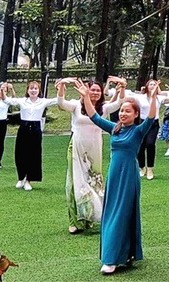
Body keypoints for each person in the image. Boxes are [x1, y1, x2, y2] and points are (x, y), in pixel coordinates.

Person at [76, 79, 158, 275]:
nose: (123, 113)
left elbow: (151, 117)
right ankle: (122, 254)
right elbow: (94, 116)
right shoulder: (114, 128)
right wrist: (86, 97)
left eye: (128, 111)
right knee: (112, 213)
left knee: (122, 213)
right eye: (122, 110)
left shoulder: (138, 131)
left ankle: (112, 259)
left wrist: (154, 98)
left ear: (136, 114)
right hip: (114, 176)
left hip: (129, 176)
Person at [56, 77, 124, 234]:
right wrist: (62, 86)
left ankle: (90, 217)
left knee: (93, 182)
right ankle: (74, 221)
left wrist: (122, 87)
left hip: (94, 150)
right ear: (86, 90)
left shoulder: (104, 108)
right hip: (76, 148)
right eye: (92, 90)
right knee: (75, 183)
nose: (95, 93)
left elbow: (119, 103)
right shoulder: (76, 105)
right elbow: (61, 103)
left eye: (98, 90)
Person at [127, 80, 169, 180]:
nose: (152, 86)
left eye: (154, 84)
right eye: (150, 84)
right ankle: (142, 167)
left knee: (150, 144)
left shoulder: (159, 98)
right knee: (140, 146)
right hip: (142, 123)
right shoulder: (140, 97)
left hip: (153, 124)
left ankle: (150, 168)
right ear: (147, 86)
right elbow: (126, 98)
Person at [5, 81, 58, 191]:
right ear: (27, 90)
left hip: (35, 129)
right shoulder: (23, 101)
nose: (33, 90)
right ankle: (21, 177)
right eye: (31, 88)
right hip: (23, 128)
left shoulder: (43, 101)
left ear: (39, 91)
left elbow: (58, 100)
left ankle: (29, 180)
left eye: (35, 88)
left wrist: (60, 88)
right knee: (20, 153)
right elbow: (8, 100)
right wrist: (3, 89)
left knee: (34, 155)